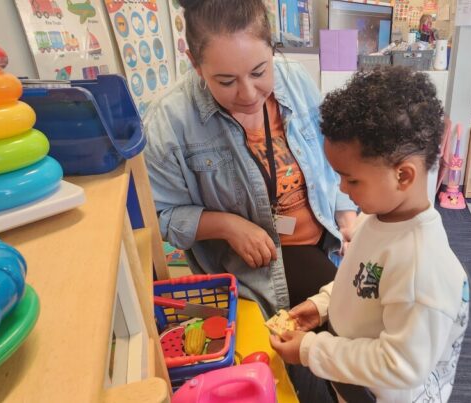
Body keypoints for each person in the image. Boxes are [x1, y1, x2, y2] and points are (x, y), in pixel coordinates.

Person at [143, 0, 357, 316]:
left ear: (272, 49)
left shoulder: (295, 79)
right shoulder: (169, 121)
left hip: (328, 238)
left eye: (259, 72)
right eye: (226, 81)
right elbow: (160, 216)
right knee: (343, 320)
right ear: (195, 64)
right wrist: (228, 226)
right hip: (260, 268)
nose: (248, 94)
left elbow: (332, 156)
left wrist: (347, 215)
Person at [270, 66, 470, 402]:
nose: (342, 189)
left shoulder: (422, 269)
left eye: (352, 179)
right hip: (353, 374)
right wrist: (322, 306)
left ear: (403, 176)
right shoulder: (375, 219)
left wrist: (312, 351)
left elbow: (400, 365)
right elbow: (360, 281)